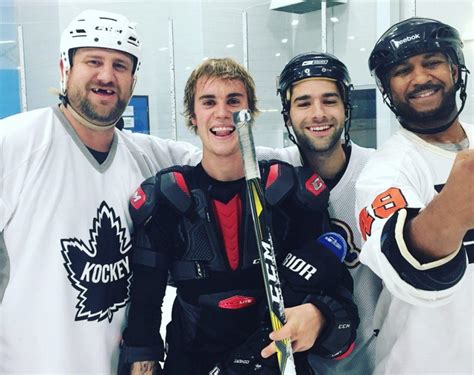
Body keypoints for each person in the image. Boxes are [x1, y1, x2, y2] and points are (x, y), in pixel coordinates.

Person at [119, 57, 359, 374]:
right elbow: (144, 307)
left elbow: (340, 300)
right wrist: (142, 361)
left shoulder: (291, 194)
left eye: (234, 100)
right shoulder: (168, 198)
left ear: (251, 112)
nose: (222, 113)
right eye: (209, 102)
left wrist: (320, 317)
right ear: (193, 116)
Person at [0, 9, 201, 374]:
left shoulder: (144, 157)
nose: (107, 76)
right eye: (93, 61)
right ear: (65, 69)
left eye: (120, 66)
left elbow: (218, 158)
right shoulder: (14, 145)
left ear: (132, 80)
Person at [355, 17, 473, 374]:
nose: (421, 78)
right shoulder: (386, 171)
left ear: (455, 69)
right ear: (388, 89)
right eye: (403, 70)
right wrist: (455, 204)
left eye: (432, 62)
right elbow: (407, 271)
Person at [269, 52, 383, 374]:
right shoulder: (272, 169)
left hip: (376, 363)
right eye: (303, 103)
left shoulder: (381, 172)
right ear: (287, 114)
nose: (318, 114)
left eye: (329, 100)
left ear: (346, 107)